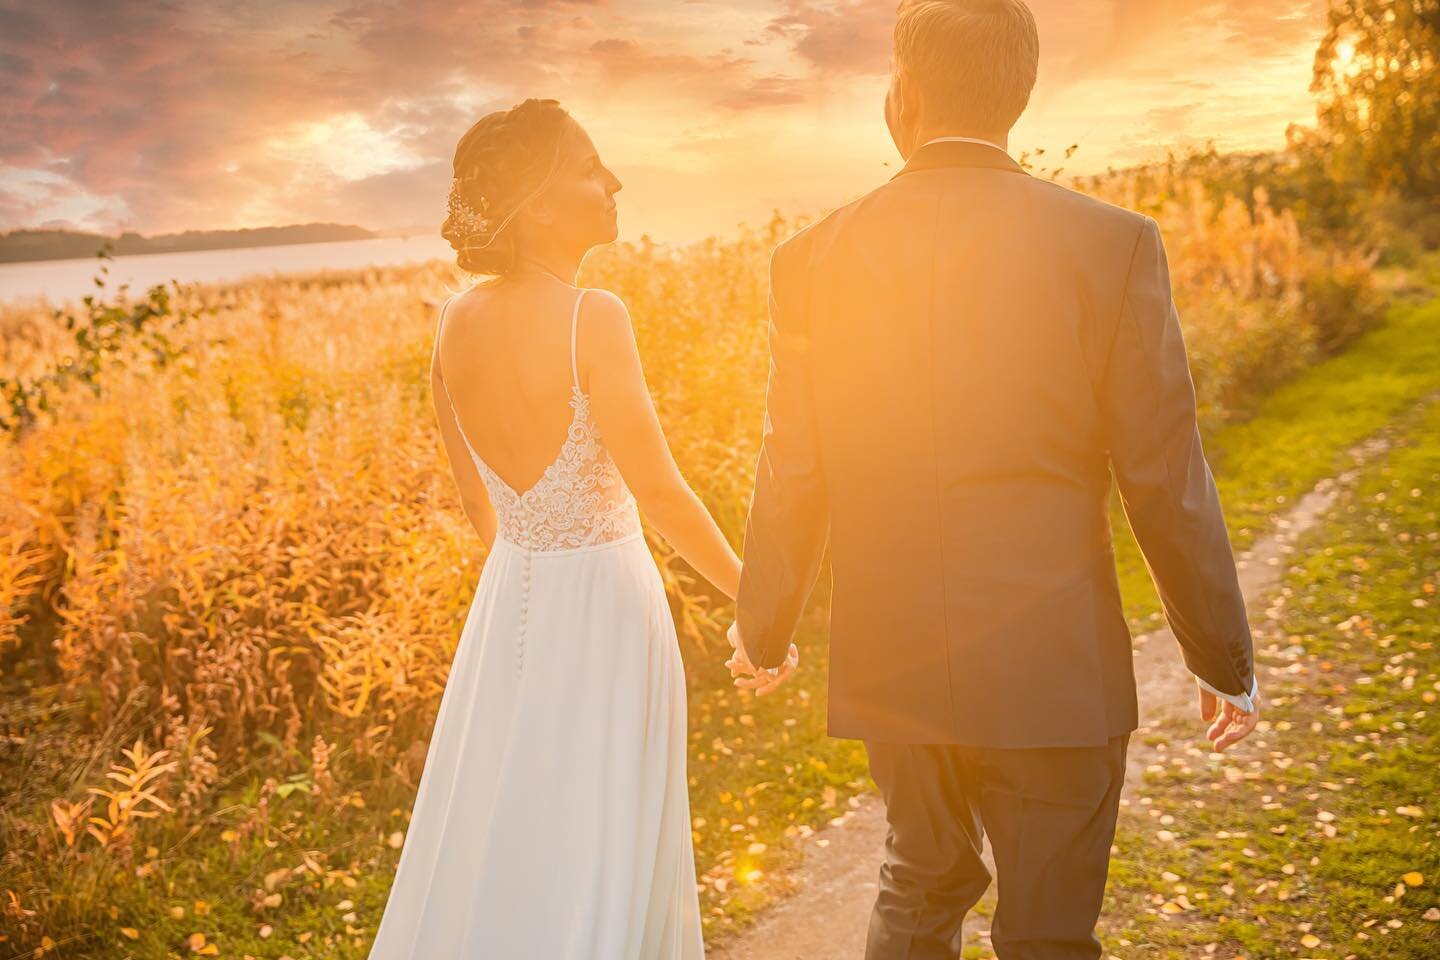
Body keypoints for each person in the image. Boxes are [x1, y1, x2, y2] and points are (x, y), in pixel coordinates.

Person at [725, 2, 1260, 957]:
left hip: (894, 663)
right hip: (1054, 667)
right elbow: (1162, 474)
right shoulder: (1111, 243)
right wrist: (1220, 656)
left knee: (919, 885)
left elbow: (793, 460)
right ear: (1022, 91)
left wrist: (764, 624)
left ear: (905, 94)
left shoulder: (809, 259)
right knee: (1049, 931)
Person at [367, 97, 737, 959]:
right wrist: (760, 604)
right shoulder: (591, 315)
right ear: (535, 202)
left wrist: (530, 588)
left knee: (512, 817)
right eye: (587, 167)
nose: (612, 181)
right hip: (606, 606)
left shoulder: (454, 322)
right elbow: (664, 496)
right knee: (603, 818)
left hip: (509, 606)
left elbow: (476, 505)